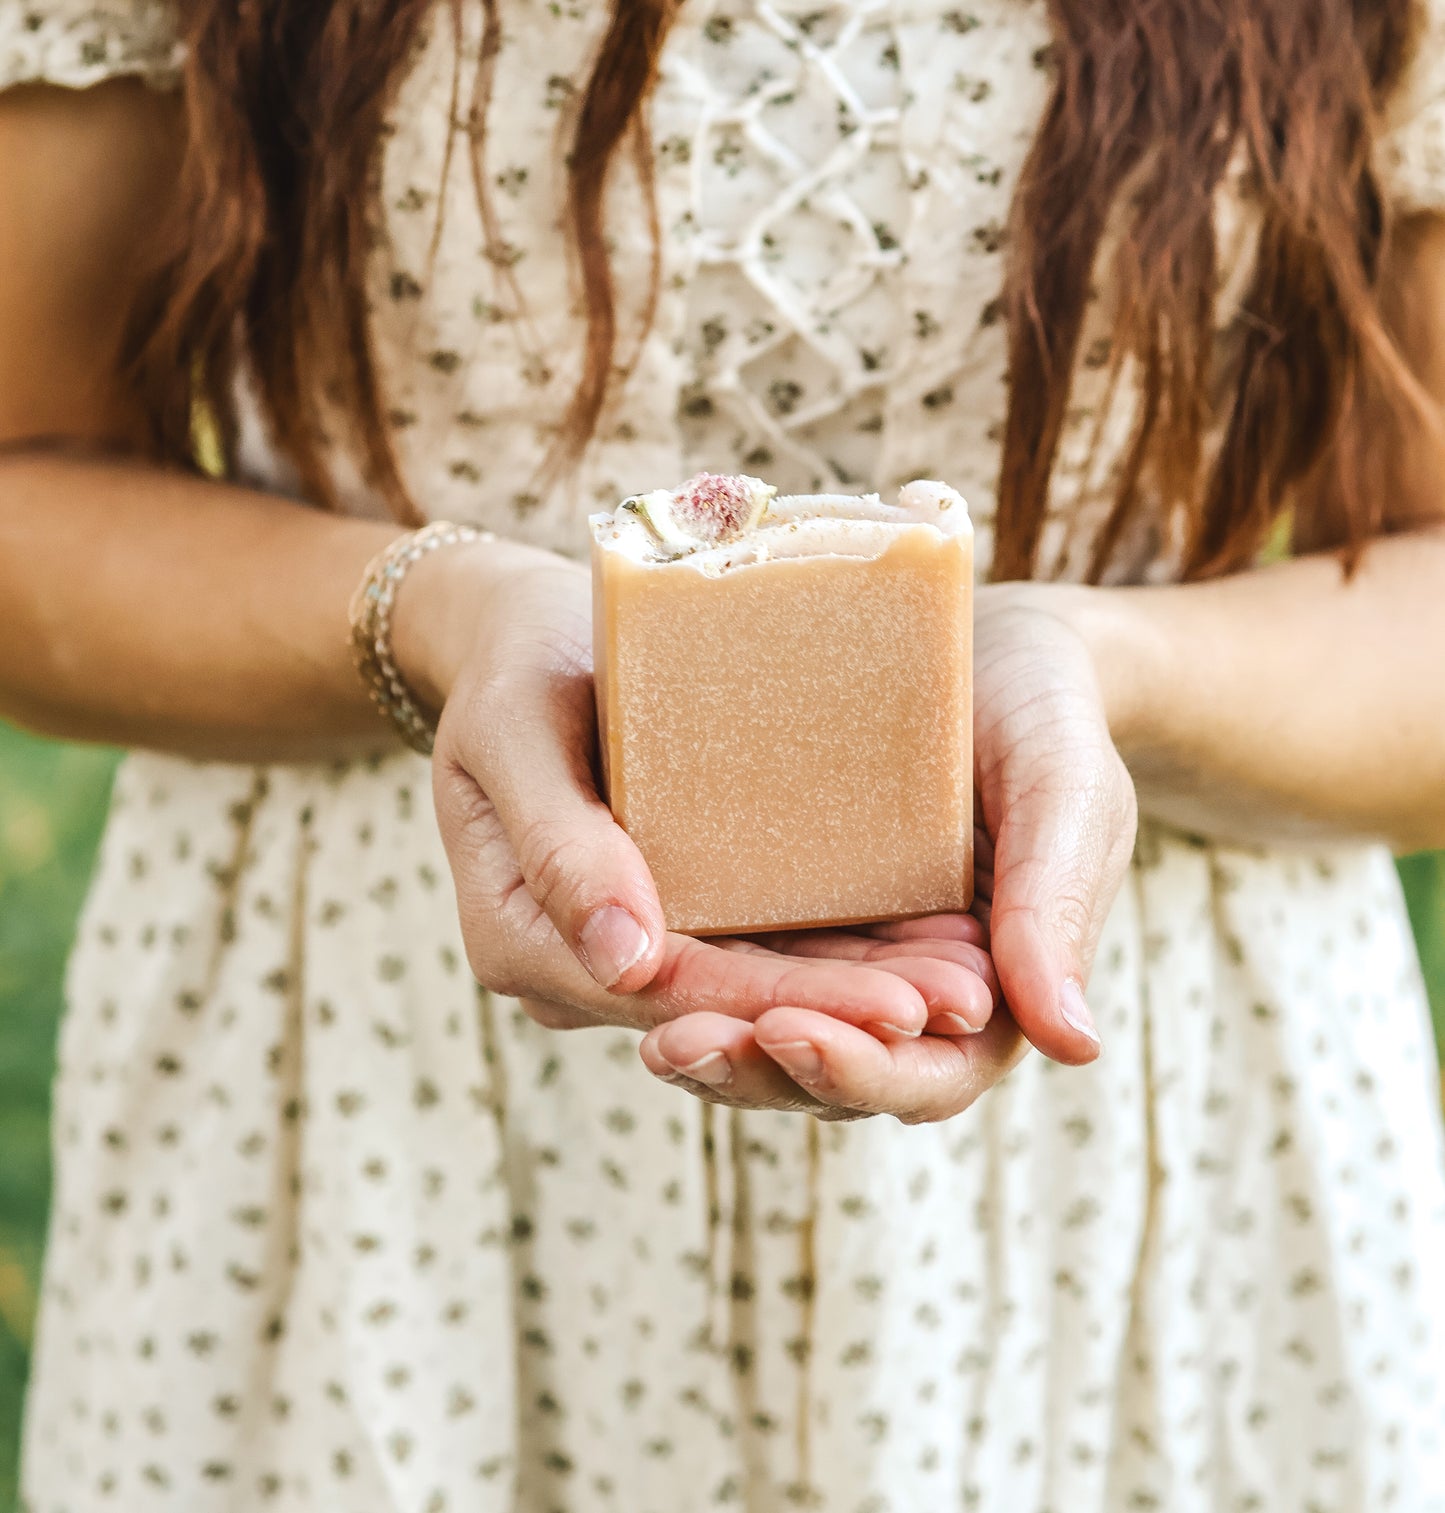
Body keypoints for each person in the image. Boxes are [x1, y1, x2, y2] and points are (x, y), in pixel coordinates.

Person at [3, 0, 1445, 1507]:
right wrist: (437, 615)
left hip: (1142, 1153)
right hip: (375, 1122)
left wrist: (1099, 666)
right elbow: (27, 477)